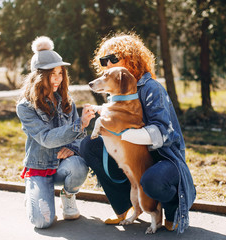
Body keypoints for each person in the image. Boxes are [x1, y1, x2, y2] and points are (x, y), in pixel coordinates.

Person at [80, 32, 196, 233]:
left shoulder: (151, 88)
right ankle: (126, 205)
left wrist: (121, 132)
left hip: (163, 157)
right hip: (135, 152)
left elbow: (163, 132)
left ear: (131, 58)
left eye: (113, 58)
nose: (108, 64)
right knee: (89, 146)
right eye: (104, 60)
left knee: (152, 180)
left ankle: (171, 208)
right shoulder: (117, 88)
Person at [16, 36, 95, 229]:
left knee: (78, 164)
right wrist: (79, 125)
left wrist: (73, 149)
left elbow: (79, 138)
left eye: (60, 73)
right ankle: (34, 192)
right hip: (40, 167)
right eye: (52, 74)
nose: (58, 78)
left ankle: (68, 196)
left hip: (62, 166)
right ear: (39, 76)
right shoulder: (25, 107)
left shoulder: (67, 100)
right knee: (42, 222)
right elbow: (46, 138)